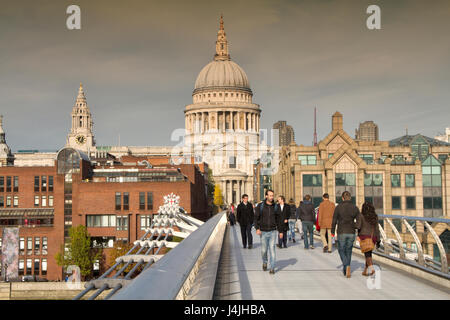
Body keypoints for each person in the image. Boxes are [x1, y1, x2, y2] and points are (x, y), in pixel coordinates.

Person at [331, 191, 361, 278]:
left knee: (341, 249)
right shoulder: (355, 208)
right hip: (351, 231)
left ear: (342, 198)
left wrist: (332, 231)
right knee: (349, 250)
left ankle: (346, 265)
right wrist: (356, 227)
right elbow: (359, 220)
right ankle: (346, 268)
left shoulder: (338, 207)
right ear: (350, 198)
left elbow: (334, 220)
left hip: (341, 231)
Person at [255, 189, 283, 274]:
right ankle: (265, 262)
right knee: (264, 250)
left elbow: (279, 219)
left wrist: (280, 231)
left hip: (273, 231)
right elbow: (256, 218)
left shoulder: (276, 206)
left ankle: (272, 268)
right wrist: (257, 228)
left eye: (272, 195)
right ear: (266, 196)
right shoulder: (260, 206)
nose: (271, 197)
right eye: (270, 195)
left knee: (272, 250)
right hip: (263, 231)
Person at [358, 202, 381, 276]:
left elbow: (358, 226)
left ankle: (371, 269)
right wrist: (378, 240)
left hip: (364, 236)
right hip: (373, 237)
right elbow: (377, 229)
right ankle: (365, 270)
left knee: (367, 254)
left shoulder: (361, 216)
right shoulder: (375, 216)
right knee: (368, 253)